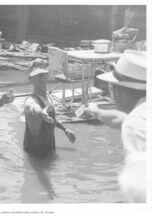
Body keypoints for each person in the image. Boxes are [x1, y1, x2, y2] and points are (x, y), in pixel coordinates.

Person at [83, 50, 146, 202]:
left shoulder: (136, 123)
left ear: (118, 90)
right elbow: (120, 118)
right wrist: (95, 111)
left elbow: (142, 192)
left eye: (111, 88)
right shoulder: (142, 112)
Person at [23, 59, 76, 157]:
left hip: (48, 147)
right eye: (37, 76)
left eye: (42, 75)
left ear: (46, 76)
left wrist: (65, 129)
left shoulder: (47, 96)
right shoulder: (30, 101)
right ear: (31, 79)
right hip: (35, 152)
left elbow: (51, 120)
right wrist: (42, 113)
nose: (41, 79)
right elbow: (34, 108)